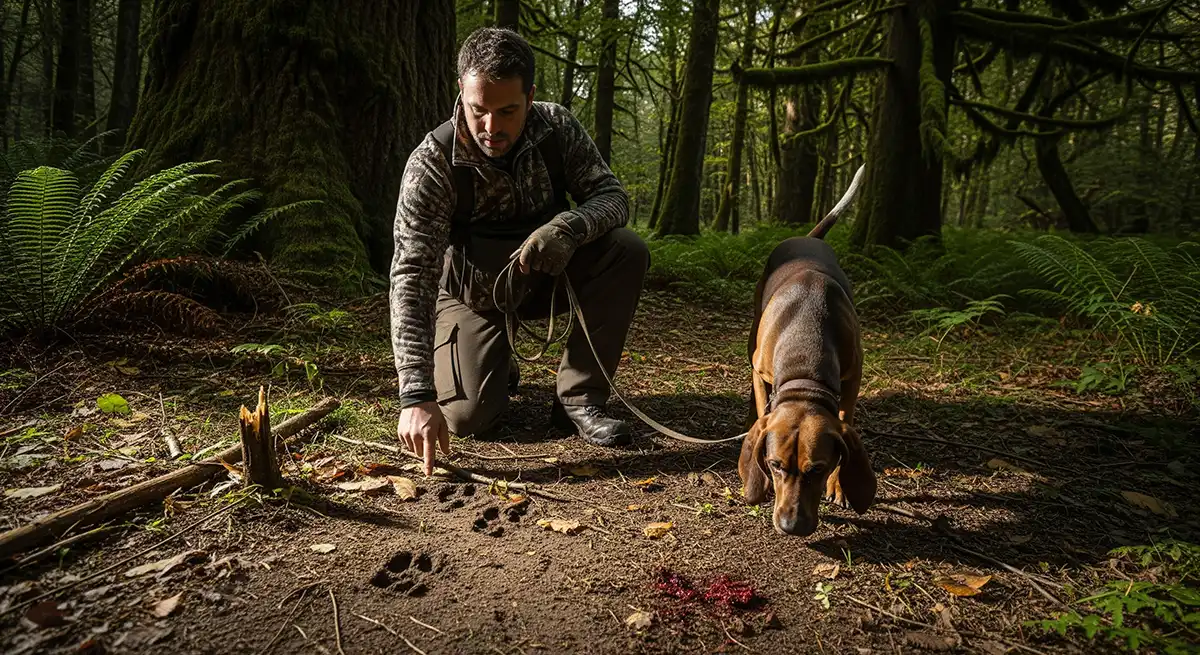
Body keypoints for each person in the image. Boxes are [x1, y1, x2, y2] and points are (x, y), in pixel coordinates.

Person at [389, 27, 650, 475]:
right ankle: (492, 363)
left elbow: (613, 197)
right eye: (478, 110)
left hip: (550, 279)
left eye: (507, 111)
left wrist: (569, 226)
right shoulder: (432, 163)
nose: (491, 127)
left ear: (530, 96)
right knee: (468, 418)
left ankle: (580, 399)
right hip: (473, 297)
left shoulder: (558, 127)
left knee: (625, 249)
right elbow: (411, 274)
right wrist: (415, 395)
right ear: (461, 92)